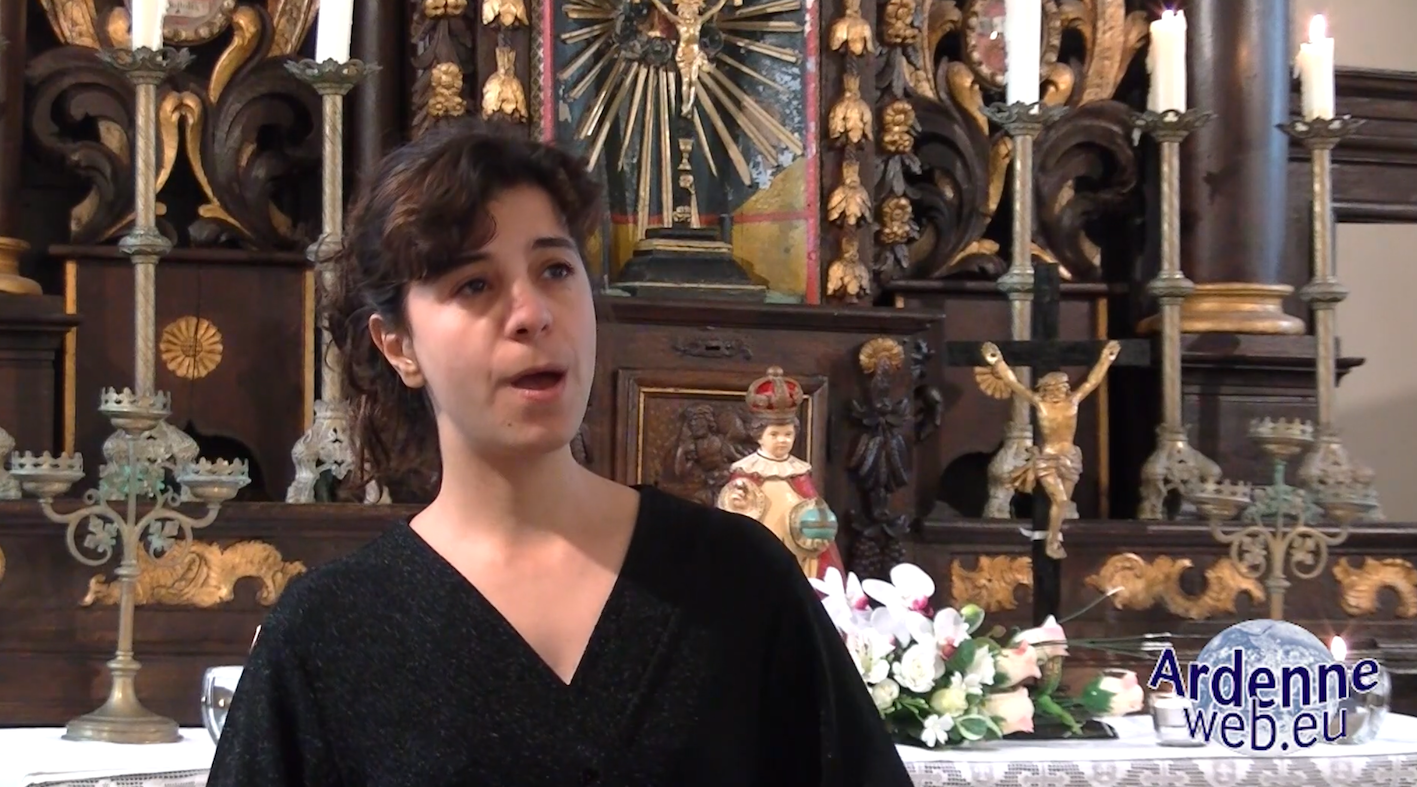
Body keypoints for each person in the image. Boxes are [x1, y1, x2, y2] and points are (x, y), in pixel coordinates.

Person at [207, 120, 913, 787]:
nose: (533, 314)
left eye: (554, 270)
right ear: (398, 345)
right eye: (474, 284)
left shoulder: (738, 580)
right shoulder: (329, 635)